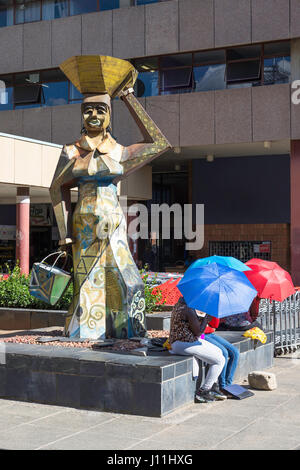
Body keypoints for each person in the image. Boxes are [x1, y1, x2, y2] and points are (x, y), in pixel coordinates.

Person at [169, 297, 226, 403]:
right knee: (220, 360)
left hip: (183, 341)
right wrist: (206, 319)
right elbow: (198, 332)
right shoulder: (188, 309)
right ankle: (204, 390)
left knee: (219, 351)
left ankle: (213, 385)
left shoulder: (179, 305)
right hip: (184, 343)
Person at [204, 317, 240, 392]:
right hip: (201, 336)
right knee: (224, 352)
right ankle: (222, 386)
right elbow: (197, 330)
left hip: (210, 334)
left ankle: (228, 384)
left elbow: (215, 325)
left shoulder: (207, 307)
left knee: (235, 352)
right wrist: (210, 329)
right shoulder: (193, 309)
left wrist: (214, 313)